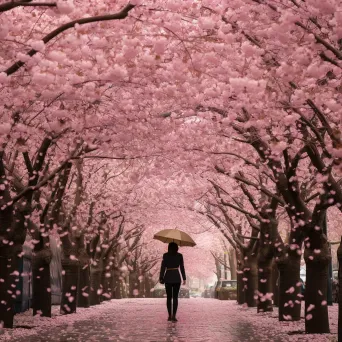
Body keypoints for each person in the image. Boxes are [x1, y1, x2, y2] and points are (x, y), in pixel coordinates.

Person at [159, 242, 186, 322]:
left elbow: (163, 267)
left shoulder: (165, 255)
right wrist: (184, 278)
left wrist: (161, 277)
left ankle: (169, 316)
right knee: (175, 297)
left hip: (168, 277)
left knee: (169, 297)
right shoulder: (179, 256)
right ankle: (174, 316)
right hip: (177, 277)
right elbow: (182, 267)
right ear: (177, 248)